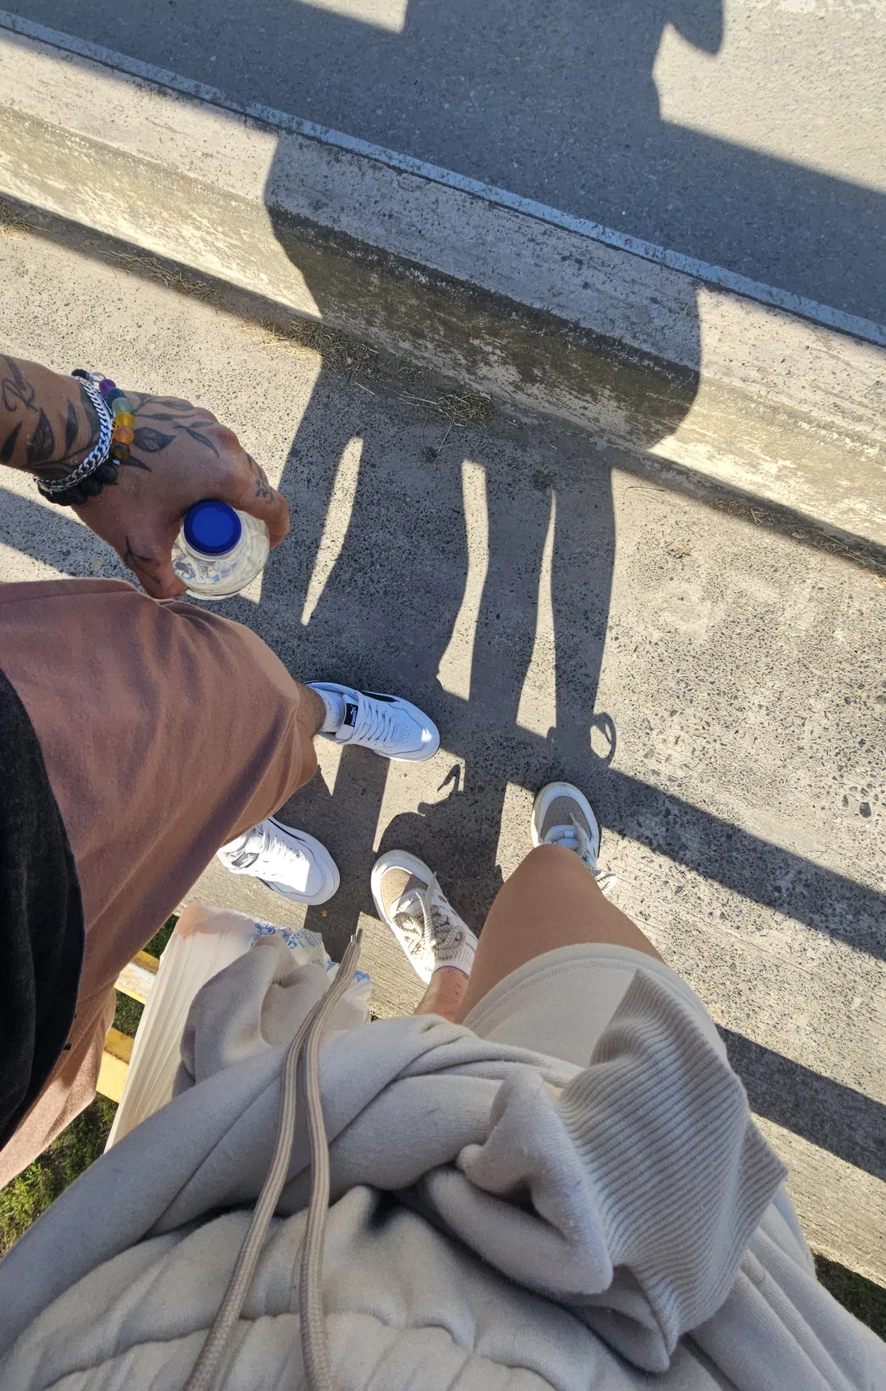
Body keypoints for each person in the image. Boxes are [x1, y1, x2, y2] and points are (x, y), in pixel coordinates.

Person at [0, 779, 881, 1390]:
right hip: (632, 1243)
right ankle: (555, 876)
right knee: (548, 889)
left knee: (429, 1045)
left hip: (237, 1249)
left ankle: (454, 980)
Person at [0, 353, 440, 1186]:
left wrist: (95, 441)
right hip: (33, 1047)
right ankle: (216, 828)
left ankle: (311, 715)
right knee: (155, 861)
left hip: (24, 760)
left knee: (242, 696)